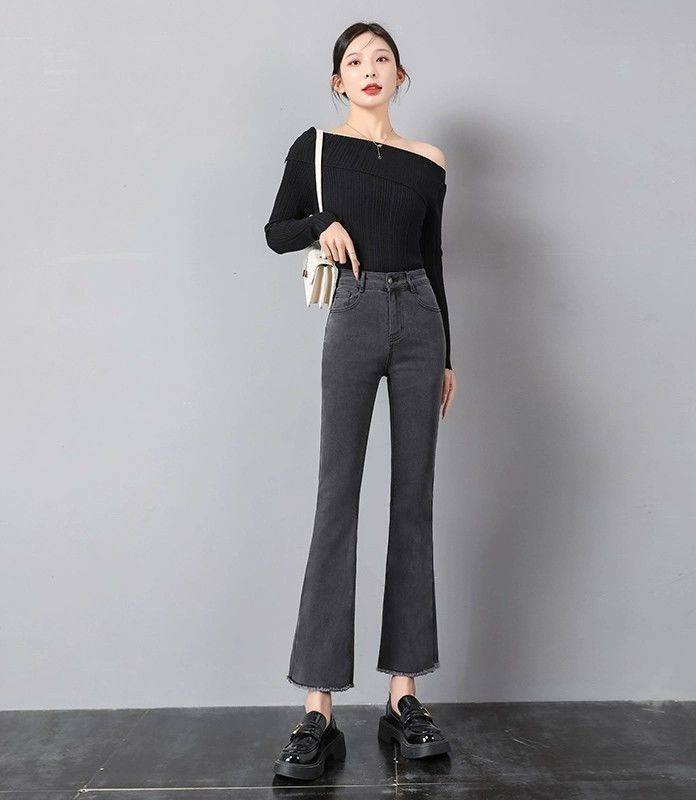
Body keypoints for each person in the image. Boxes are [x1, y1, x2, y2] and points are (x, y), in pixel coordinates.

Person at [264, 21, 457, 780]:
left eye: (382, 59)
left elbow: (435, 257)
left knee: (414, 499)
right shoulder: (315, 147)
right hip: (354, 312)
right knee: (336, 495)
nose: (369, 69)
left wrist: (449, 355)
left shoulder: (429, 161)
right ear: (337, 80)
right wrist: (324, 222)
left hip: (421, 321)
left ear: (400, 76)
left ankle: (404, 697)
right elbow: (277, 231)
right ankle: (318, 711)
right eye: (354, 60)